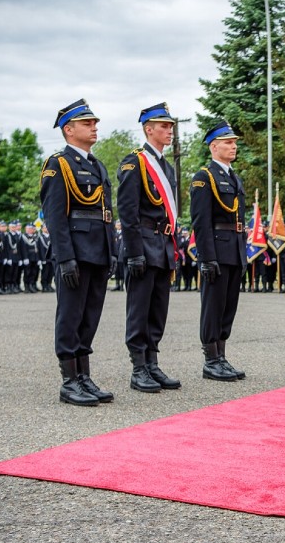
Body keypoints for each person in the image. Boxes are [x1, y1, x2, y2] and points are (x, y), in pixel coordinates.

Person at [39, 99, 116, 406]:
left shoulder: (97, 165)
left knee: (90, 316)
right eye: (87, 123)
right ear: (69, 130)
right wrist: (65, 256)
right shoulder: (58, 164)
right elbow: (55, 216)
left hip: (98, 251)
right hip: (75, 252)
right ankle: (69, 380)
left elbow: (106, 213)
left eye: (95, 122)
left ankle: (84, 376)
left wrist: (112, 251)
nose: (94, 127)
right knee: (70, 316)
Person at [117, 103, 182, 393]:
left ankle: (153, 362)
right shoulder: (135, 163)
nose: (170, 131)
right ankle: (138, 367)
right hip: (143, 243)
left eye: (171, 126)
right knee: (139, 309)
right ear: (148, 129)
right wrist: (134, 252)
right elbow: (127, 213)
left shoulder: (166, 166)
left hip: (163, 245)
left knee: (158, 310)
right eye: (164, 126)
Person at [190, 120, 247, 382]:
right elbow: (200, 222)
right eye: (228, 142)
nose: (233, 146)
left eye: (234, 142)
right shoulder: (204, 177)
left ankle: (221, 356)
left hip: (234, 249)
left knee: (228, 307)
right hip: (217, 250)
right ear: (214, 146)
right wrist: (207, 257)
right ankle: (210, 360)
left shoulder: (234, 177)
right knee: (213, 306)